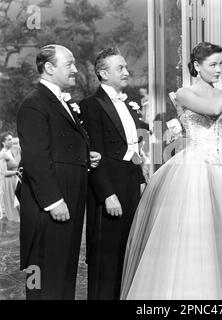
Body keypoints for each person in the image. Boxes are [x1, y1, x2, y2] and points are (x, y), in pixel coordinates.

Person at [120, 42, 222, 300]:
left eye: (220, 64)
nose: (218, 70)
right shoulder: (183, 93)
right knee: (194, 230)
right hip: (194, 168)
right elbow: (215, 110)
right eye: (213, 65)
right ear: (196, 66)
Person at [17, 44, 100, 300]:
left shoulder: (60, 101)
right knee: (45, 275)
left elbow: (59, 146)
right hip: (51, 204)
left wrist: (86, 156)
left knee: (64, 271)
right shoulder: (34, 103)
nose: (75, 70)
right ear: (50, 68)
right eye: (70, 64)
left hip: (69, 199)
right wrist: (54, 201)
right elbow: (35, 158)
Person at [79, 47, 146, 300]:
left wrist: (140, 180)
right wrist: (107, 194)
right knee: (105, 258)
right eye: (121, 68)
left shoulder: (128, 104)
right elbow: (93, 154)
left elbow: (133, 146)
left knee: (127, 252)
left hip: (130, 182)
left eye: (126, 67)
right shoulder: (91, 105)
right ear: (103, 74)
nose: (127, 72)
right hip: (109, 187)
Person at [0, 132, 20, 222]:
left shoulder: (11, 152)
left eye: (11, 139)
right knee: (12, 205)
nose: (11, 141)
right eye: (9, 139)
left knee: (18, 202)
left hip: (14, 180)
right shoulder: (2, 154)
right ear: (3, 142)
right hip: (8, 182)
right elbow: (4, 172)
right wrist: (18, 172)